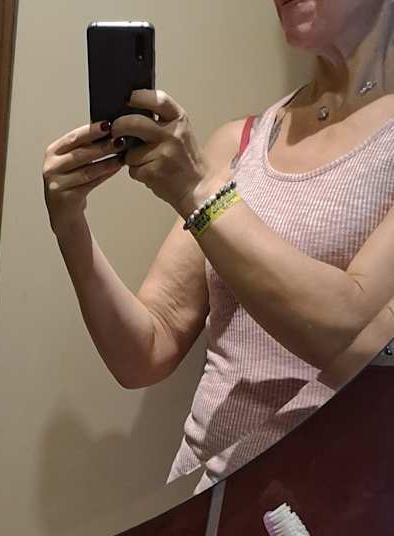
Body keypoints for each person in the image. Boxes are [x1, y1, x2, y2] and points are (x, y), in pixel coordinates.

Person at [42, 0, 394, 483]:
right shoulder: (241, 141)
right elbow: (146, 351)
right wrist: (70, 225)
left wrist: (199, 192)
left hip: (318, 512)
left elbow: (357, 339)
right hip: (201, 499)